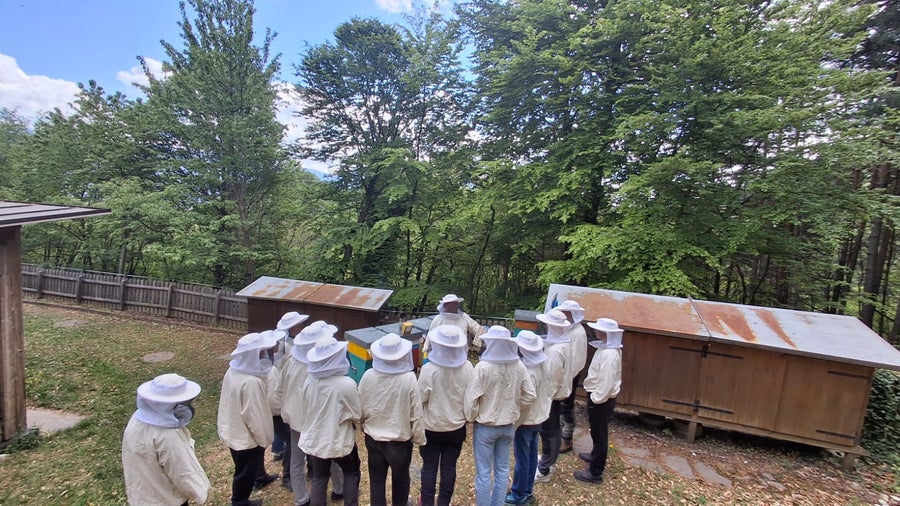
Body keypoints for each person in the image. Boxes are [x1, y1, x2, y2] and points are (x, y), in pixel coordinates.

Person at [465, 325, 535, 506]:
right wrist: (514, 409)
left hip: (486, 427)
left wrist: (472, 417)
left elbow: (472, 399)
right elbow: (530, 395)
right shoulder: (518, 366)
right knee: (503, 470)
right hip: (507, 426)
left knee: (483, 473)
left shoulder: (483, 367)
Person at [278, 320, 345, 506]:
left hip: (295, 419)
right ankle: (339, 489)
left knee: (297, 461)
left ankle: (301, 499)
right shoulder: (317, 369)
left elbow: (279, 388)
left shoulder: (290, 361)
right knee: (330, 455)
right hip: (317, 421)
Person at [122, 373, 210, 506]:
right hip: (167, 500)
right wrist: (201, 491)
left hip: (140, 497)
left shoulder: (136, 420)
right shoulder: (167, 436)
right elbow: (182, 473)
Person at [359, 333, 426, 506]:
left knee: (376, 481)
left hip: (373, 439)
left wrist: (363, 424)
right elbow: (416, 413)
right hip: (399, 443)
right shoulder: (409, 378)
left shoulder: (368, 375)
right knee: (401, 481)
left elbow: (360, 406)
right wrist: (419, 438)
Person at [297, 336, 362, 506]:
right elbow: (357, 414)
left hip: (316, 439)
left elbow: (305, 408)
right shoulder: (346, 384)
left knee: (320, 477)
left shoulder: (309, 381)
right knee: (351, 472)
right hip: (339, 440)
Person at [218, 331, 278, 506]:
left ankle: (261, 477)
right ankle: (239, 501)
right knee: (244, 472)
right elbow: (255, 416)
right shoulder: (251, 382)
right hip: (246, 436)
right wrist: (264, 438)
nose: (264, 354)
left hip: (232, 428)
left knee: (247, 466)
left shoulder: (233, 371)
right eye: (261, 351)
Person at [417, 325, 474, 506]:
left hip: (431, 427)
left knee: (429, 468)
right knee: (449, 467)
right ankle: (443, 502)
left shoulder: (429, 369)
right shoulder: (467, 368)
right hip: (456, 428)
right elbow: (471, 397)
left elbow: (420, 398)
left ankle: (427, 502)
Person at [505, 330, 554, 506]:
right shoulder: (542, 365)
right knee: (532, 455)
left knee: (523, 457)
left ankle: (518, 495)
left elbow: (526, 399)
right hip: (538, 418)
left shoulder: (529, 371)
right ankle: (527, 491)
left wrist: (516, 421)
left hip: (526, 420)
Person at [575, 317, 624, 484]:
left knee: (600, 433)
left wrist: (596, 399)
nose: (595, 331)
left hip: (601, 399)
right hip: (600, 397)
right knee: (596, 431)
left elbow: (607, 380)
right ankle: (595, 455)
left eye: (598, 329)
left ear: (605, 332)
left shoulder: (610, 354)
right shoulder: (607, 348)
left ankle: (595, 472)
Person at [533, 309, 572, 484]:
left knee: (548, 430)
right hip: (555, 395)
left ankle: (545, 469)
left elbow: (552, 378)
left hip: (550, 396)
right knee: (552, 428)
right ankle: (548, 461)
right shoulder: (563, 344)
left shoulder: (556, 350)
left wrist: (544, 397)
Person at [556, 300, 588, 453]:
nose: (563, 314)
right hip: (562, 375)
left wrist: (567, 378)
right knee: (559, 406)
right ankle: (558, 435)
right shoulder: (567, 329)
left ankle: (567, 439)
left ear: (572, 314)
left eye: (566, 312)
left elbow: (578, 360)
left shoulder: (578, 332)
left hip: (570, 376)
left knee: (566, 406)